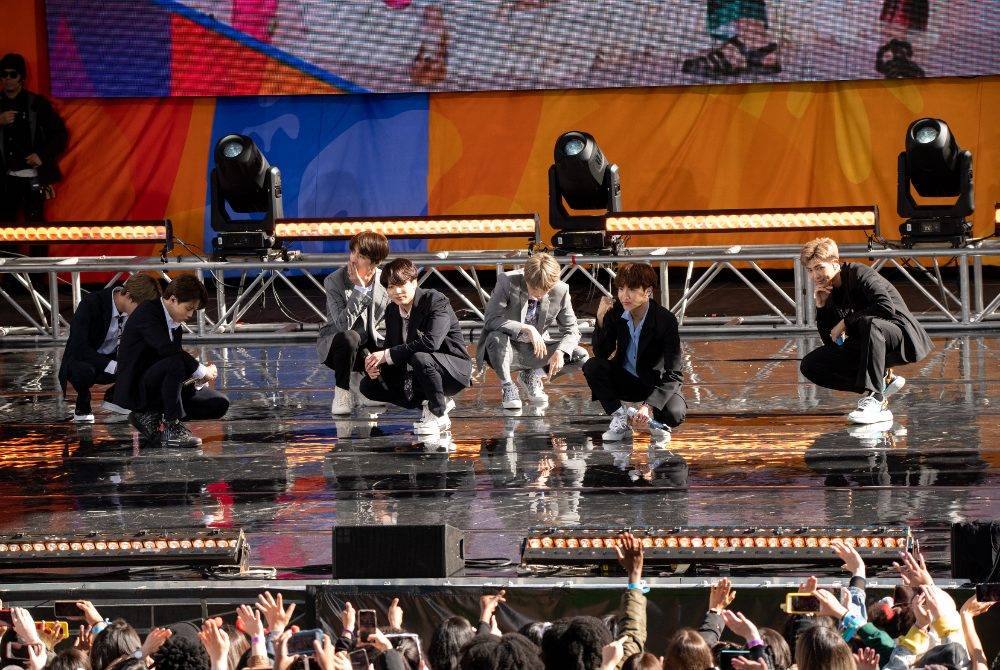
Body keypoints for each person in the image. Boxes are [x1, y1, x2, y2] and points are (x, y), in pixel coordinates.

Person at [799, 237, 932, 424]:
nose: (815, 276)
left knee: (870, 323)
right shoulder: (829, 291)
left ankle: (876, 398)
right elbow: (832, 343)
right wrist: (821, 308)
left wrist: (845, 321)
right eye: (810, 270)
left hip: (901, 337)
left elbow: (885, 307)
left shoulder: (859, 273)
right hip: (868, 345)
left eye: (820, 267)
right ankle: (881, 384)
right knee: (811, 364)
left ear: (835, 263)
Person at [114, 274, 229, 447]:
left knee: (218, 404)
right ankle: (170, 426)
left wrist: (199, 380)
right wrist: (201, 370)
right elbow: (168, 352)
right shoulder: (147, 312)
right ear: (173, 299)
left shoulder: (174, 322)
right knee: (174, 361)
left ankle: (154, 416)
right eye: (188, 308)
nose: (190, 314)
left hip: (162, 382)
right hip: (138, 388)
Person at [360, 258, 472, 435]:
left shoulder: (435, 300)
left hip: (451, 370)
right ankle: (429, 403)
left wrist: (387, 354)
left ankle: (438, 413)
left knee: (420, 356)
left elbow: (431, 342)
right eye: (390, 287)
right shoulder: (392, 311)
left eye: (401, 284)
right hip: (417, 371)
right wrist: (376, 365)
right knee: (368, 385)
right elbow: (392, 347)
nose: (396, 291)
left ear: (414, 282)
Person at [583, 262, 686, 444]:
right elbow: (601, 353)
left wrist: (649, 406)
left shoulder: (665, 320)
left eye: (631, 289)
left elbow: (674, 374)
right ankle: (621, 417)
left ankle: (657, 422)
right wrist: (600, 320)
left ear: (647, 291)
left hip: (654, 382)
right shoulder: (616, 313)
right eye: (621, 289)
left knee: (674, 414)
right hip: (625, 379)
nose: (624, 295)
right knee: (592, 366)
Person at [476, 252, 586, 410]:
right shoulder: (507, 281)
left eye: (546, 290)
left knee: (579, 355)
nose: (540, 294)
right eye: (535, 289)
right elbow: (491, 319)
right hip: (507, 349)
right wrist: (526, 328)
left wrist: (561, 351)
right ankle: (508, 386)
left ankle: (532, 375)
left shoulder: (561, 290)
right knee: (495, 337)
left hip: (536, 351)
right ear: (526, 278)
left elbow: (572, 330)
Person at [58, 274, 162, 422]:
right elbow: (79, 347)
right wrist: (113, 366)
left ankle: (116, 396)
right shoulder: (91, 304)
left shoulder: (135, 314)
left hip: (116, 359)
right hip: (86, 360)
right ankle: (83, 401)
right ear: (129, 296)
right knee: (82, 370)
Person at [317, 231, 390, 416]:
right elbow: (343, 326)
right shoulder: (334, 280)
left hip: (371, 346)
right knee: (350, 337)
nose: (354, 259)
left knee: (380, 395)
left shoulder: (386, 281)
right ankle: (342, 391)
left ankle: (364, 383)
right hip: (338, 345)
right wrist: (360, 289)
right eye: (353, 253)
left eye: (362, 256)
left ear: (375, 262)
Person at [1, 53, 68, 224]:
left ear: (22, 77)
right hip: (5, 181)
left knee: (37, 229)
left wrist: (41, 155)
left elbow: (60, 135)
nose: (7, 79)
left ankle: (38, 253)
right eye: (3, 74)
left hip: (33, 178)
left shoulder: (37, 104)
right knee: (5, 231)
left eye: (13, 74)